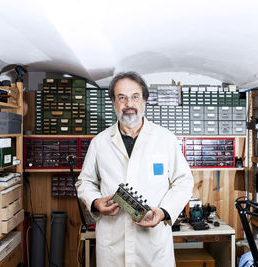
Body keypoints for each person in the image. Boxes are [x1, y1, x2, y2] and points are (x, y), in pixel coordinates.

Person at [75, 71, 194, 267]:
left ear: (144, 100)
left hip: (152, 247)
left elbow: (184, 181)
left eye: (135, 97)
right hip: (113, 245)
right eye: (122, 97)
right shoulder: (100, 142)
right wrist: (95, 202)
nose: (129, 103)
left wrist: (164, 211)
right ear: (113, 102)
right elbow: (85, 182)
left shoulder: (164, 139)